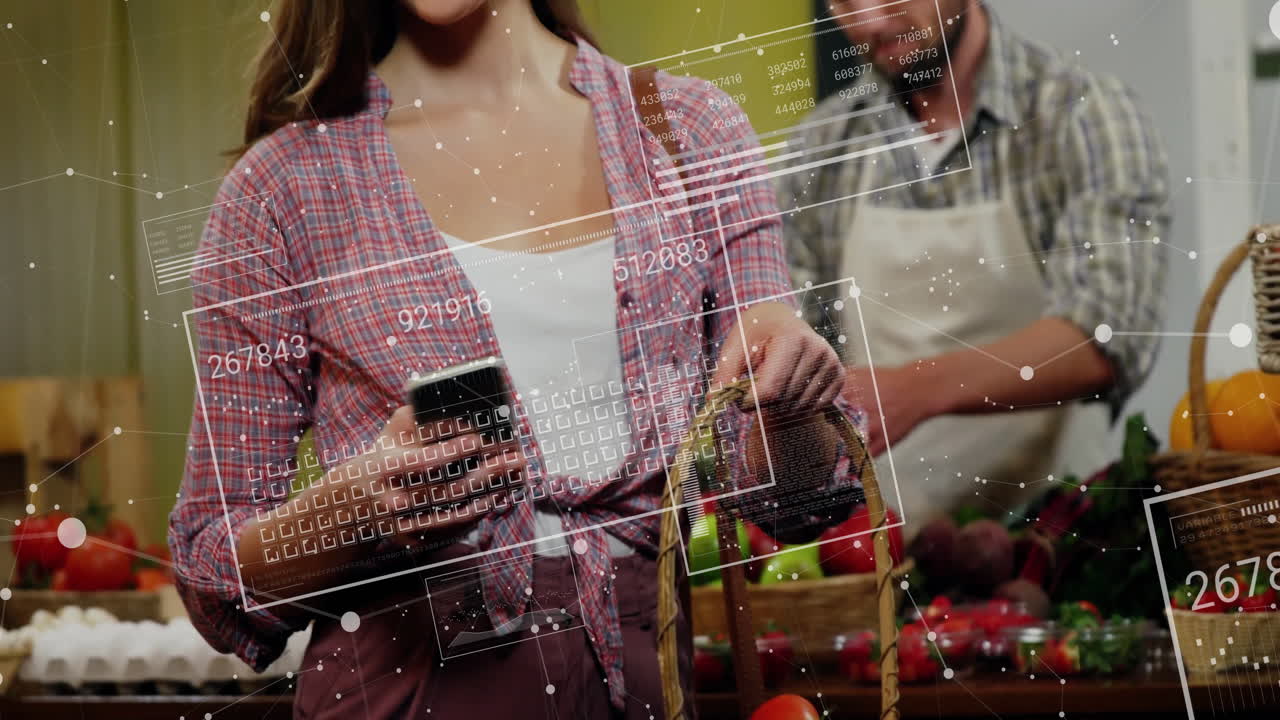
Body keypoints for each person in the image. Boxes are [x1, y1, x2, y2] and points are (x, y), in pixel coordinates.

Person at [170, 1, 861, 718]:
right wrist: (351, 515)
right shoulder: (280, 189)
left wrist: (788, 394)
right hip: (398, 691)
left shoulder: (689, 132)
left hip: (643, 691)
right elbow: (210, 578)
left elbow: (800, 503)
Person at [779, 0, 1170, 528]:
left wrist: (910, 392)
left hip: (1055, 545)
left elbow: (1107, 336)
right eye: (846, 2)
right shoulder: (820, 149)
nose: (869, 21)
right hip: (885, 558)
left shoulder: (1082, 114)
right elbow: (801, 354)